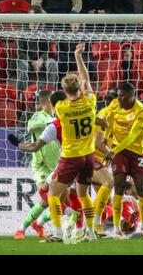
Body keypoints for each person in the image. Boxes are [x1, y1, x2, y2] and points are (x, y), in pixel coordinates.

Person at [8, 90, 81, 241]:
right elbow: (30, 127)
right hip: (41, 165)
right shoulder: (38, 116)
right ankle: (22, 229)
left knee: (57, 201)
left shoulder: (58, 118)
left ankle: (38, 224)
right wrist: (51, 122)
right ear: (48, 102)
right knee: (47, 196)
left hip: (58, 164)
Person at [45, 43, 97, 242]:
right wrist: (78, 56)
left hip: (71, 156)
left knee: (52, 194)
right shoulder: (90, 101)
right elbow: (86, 79)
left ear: (64, 90)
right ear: (80, 88)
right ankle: (90, 232)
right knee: (84, 196)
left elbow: (78, 84)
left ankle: (58, 233)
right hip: (89, 156)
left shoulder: (61, 107)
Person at [103, 82, 143, 240]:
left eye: (122, 96)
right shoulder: (115, 104)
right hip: (120, 152)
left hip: (136, 153)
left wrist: (112, 151)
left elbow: (132, 137)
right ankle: (117, 230)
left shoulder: (142, 112)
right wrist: (107, 136)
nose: (118, 98)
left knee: (142, 190)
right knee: (118, 187)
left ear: (132, 96)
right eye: (117, 95)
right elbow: (110, 120)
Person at [92, 87, 118, 237]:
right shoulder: (104, 116)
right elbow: (97, 143)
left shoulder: (116, 118)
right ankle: (93, 225)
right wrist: (113, 155)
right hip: (89, 158)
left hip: (99, 160)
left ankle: (95, 227)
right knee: (109, 182)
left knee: (105, 201)